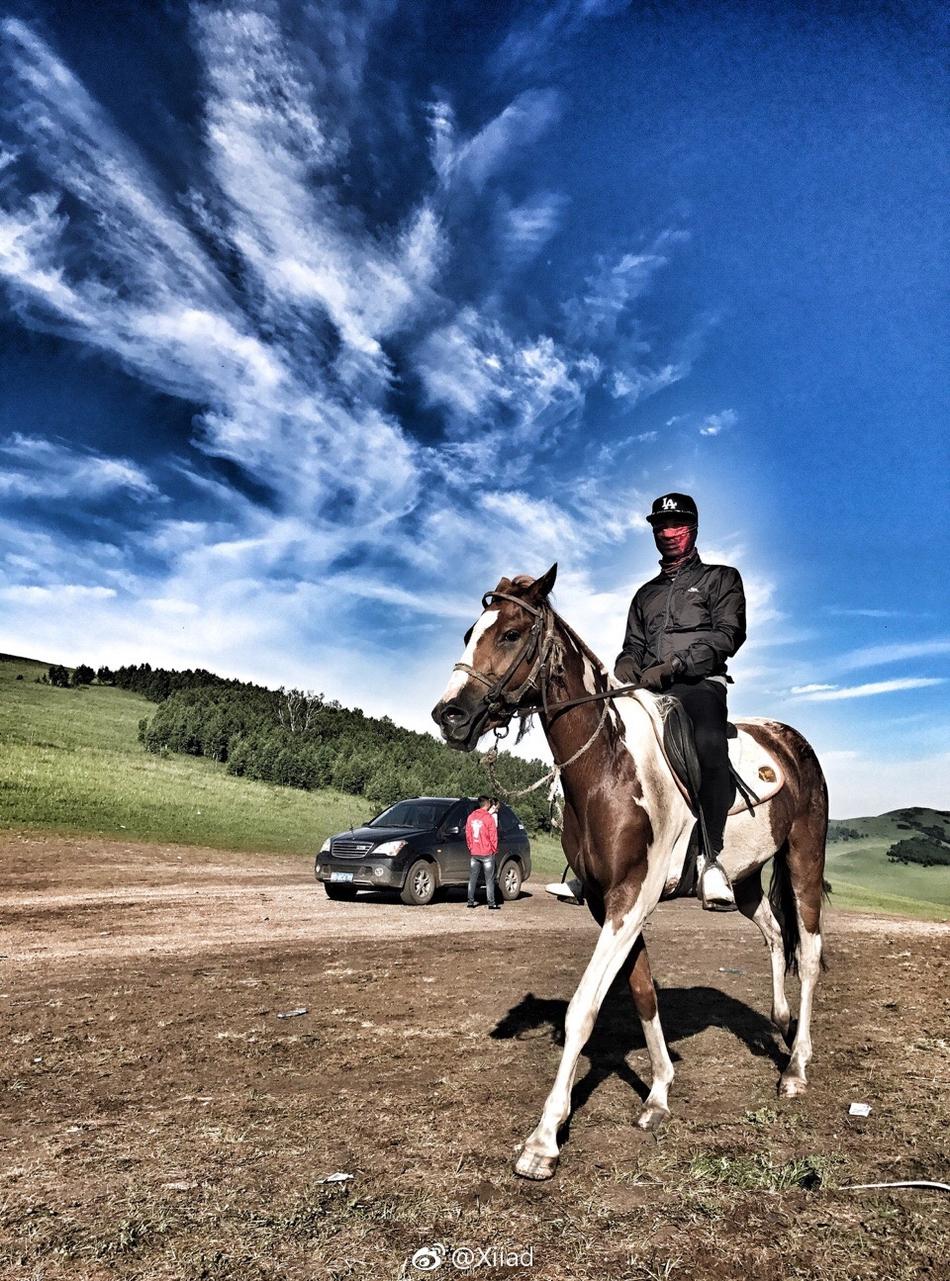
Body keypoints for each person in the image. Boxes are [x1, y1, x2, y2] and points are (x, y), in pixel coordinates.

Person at [614, 492, 747, 910]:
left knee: (707, 743)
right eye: (660, 527)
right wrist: (626, 664)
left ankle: (711, 859)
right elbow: (632, 646)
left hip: (699, 685)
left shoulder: (722, 579)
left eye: (676, 525)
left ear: (693, 529)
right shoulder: (644, 595)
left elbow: (728, 636)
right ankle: (600, 864)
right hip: (649, 690)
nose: (667, 534)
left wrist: (674, 665)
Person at [466, 795, 500, 909]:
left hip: (474, 852)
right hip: (486, 852)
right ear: (487, 804)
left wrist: (471, 847)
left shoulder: (471, 817)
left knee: (472, 878)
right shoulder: (488, 818)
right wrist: (494, 849)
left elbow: (468, 834)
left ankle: (470, 901)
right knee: (489, 880)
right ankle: (491, 903)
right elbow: (493, 836)